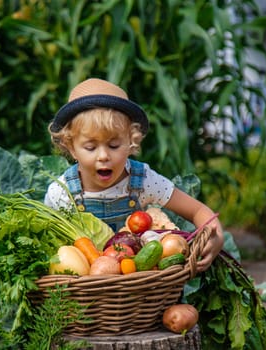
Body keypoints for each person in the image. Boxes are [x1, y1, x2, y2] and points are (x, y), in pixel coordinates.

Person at [44, 78, 224, 272]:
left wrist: (217, 236)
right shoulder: (61, 193)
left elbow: (198, 211)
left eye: (114, 145)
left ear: (131, 142)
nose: (103, 156)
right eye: (90, 147)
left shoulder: (143, 180)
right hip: (85, 293)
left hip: (141, 289)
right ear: (71, 148)